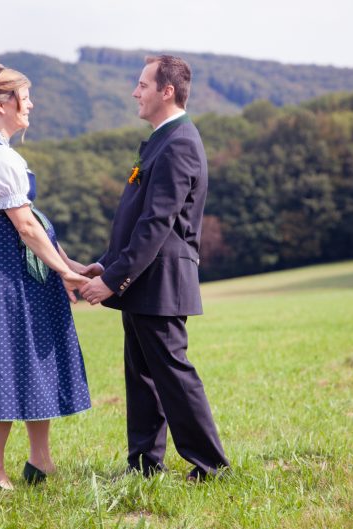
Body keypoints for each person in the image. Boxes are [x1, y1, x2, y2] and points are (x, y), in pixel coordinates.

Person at [80, 55, 229, 481]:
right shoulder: (165, 139)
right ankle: (145, 464)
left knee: (173, 375)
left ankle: (212, 468)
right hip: (145, 281)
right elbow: (137, 218)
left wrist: (112, 280)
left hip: (161, 280)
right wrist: (104, 265)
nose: (135, 92)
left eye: (142, 84)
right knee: (143, 376)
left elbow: (157, 225)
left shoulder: (180, 141)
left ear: (167, 91)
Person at [0, 62, 91, 490]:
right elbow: (26, 226)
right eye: (24, 96)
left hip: (18, 272)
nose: (30, 104)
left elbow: (33, 221)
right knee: (5, 360)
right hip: (2, 276)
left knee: (32, 358)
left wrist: (69, 263)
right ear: (2, 104)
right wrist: (65, 272)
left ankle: (41, 462)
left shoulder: (1, 152)